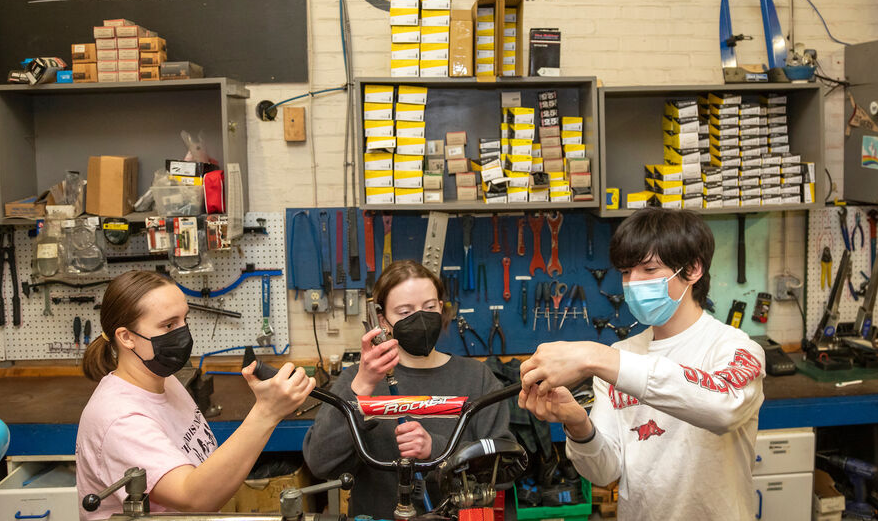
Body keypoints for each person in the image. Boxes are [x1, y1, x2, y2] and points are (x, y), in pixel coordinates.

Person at [517, 208, 765, 521]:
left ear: (693, 269)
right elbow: (604, 472)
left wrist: (595, 356)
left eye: (649, 269)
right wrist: (578, 424)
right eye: (625, 272)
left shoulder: (736, 349)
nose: (633, 283)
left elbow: (722, 408)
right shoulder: (620, 356)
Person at [77, 270, 313, 520]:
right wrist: (266, 412)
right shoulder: (119, 420)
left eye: (184, 320)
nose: (184, 333)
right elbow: (194, 498)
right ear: (126, 337)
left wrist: (266, 409)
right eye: (169, 325)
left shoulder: (166, 381)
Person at [303, 260, 512, 520]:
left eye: (430, 307)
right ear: (383, 320)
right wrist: (363, 387)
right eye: (405, 311)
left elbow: (503, 470)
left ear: (441, 307)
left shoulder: (477, 378)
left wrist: (436, 450)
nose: (421, 319)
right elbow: (321, 463)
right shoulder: (359, 381)